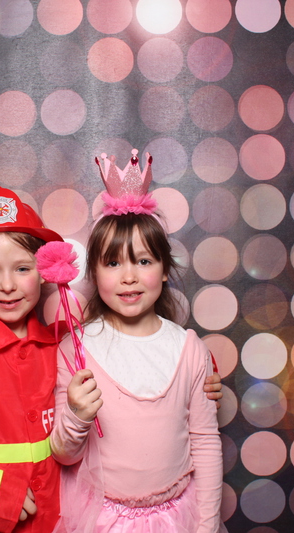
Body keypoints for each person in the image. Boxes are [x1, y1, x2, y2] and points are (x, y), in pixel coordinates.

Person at [0, 186, 224, 533]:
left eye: (22, 268)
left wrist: (205, 376)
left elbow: (144, 353)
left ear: (44, 270)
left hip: (52, 523)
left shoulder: (63, 343)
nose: (8, 285)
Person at [51, 151, 224, 532]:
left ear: (164, 270)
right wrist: (77, 414)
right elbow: (64, 455)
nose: (128, 277)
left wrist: (208, 525)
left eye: (144, 261)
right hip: (102, 520)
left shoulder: (188, 348)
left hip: (176, 518)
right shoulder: (76, 351)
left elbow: (205, 443)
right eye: (113, 263)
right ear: (94, 272)